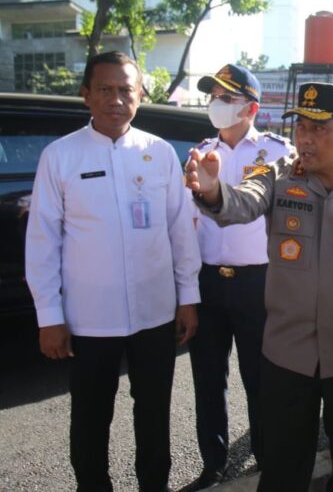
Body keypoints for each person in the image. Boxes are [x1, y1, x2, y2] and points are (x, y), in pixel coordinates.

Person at [185, 82, 333, 492]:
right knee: (282, 473)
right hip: (286, 357)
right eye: (301, 126)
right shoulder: (276, 178)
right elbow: (241, 203)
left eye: (319, 128)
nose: (305, 137)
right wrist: (212, 191)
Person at [25, 50, 201, 492]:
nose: (116, 99)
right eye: (105, 89)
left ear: (140, 95)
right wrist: (50, 316)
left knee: (154, 411)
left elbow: (180, 229)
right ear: (86, 95)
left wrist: (189, 297)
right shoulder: (60, 156)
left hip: (156, 312)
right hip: (90, 318)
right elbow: (42, 243)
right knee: (90, 414)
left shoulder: (159, 153)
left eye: (126, 89)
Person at [186, 64, 293, 490]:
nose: (217, 104)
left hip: (259, 283)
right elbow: (184, 222)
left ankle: (267, 458)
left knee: (260, 378)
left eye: (226, 98)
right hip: (209, 281)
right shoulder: (199, 152)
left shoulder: (277, 152)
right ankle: (213, 463)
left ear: (250, 107)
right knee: (208, 380)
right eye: (213, 95)